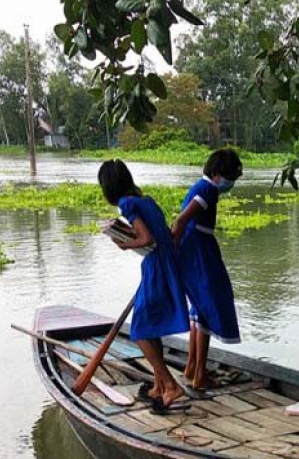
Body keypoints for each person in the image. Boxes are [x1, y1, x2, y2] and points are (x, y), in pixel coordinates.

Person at [98, 159, 190, 413]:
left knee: (139, 329)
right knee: (151, 327)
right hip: (166, 263)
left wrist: (125, 243)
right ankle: (159, 385)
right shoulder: (146, 200)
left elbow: (146, 237)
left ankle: (170, 385)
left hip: (156, 266)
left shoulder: (128, 204)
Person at [172, 149, 243, 394]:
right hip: (199, 253)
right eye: (230, 176)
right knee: (210, 305)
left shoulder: (201, 187)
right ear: (216, 174)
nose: (231, 183)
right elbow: (181, 221)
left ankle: (192, 368)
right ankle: (199, 374)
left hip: (194, 251)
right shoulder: (208, 190)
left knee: (200, 308)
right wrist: (172, 249)